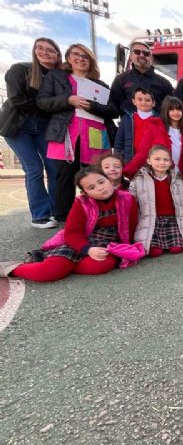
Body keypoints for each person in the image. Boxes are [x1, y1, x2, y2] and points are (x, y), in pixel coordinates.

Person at [1, 168, 139, 282]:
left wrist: (129, 246)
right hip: (81, 242)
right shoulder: (82, 204)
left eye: (101, 182)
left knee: (103, 265)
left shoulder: (127, 198)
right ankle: (11, 268)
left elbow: (132, 225)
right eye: (92, 187)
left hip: (108, 244)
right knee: (46, 273)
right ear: (85, 193)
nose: (100, 188)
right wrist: (88, 250)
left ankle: (58, 265)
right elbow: (72, 233)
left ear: (109, 180)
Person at [37, 43, 118, 223]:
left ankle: (99, 216)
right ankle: (65, 218)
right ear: (68, 58)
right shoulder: (56, 77)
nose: (81, 59)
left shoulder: (101, 85)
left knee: (95, 177)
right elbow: (42, 102)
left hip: (95, 134)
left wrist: (93, 106)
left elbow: (113, 110)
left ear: (91, 62)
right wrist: (68, 100)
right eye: (76, 55)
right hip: (66, 133)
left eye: (85, 56)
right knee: (64, 177)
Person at [1, 37, 61, 228]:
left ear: (57, 55)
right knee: (34, 168)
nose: (45, 52)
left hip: (44, 126)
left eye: (50, 50)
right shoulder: (20, 70)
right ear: (35, 51)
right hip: (19, 126)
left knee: (54, 168)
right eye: (40, 48)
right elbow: (16, 100)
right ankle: (40, 216)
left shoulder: (59, 77)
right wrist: (48, 106)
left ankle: (56, 211)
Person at [129, 145, 183, 257]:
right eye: (157, 159)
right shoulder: (139, 180)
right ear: (149, 161)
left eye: (166, 160)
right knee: (154, 252)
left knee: (177, 249)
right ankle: (157, 244)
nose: (162, 162)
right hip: (152, 220)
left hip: (174, 220)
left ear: (170, 163)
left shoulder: (178, 180)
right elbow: (132, 203)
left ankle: (171, 242)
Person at [114, 88, 172, 179]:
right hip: (131, 160)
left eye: (147, 100)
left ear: (153, 103)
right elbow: (119, 141)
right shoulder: (127, 118)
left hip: (153, 162)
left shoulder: (159, 120)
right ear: (134, 101)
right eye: (140, 99)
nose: (144, 102)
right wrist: (118, 159)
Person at [109, 41, 173, 116]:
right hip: (130, 127)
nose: (142, 55)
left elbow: (173, 108)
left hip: (156, 126)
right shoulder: (120, 80)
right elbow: (113, 110)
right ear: (131, 56)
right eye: (137, 52)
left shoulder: (164, 83)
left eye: (146, 53)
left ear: (151, 58)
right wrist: (94, 107)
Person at [159, 96, 183, 175]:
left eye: (179, 109)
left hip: (179, 173)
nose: (176, 112)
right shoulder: (160, 129)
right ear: (166, 111)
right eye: (172, 109)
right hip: (164, 172)